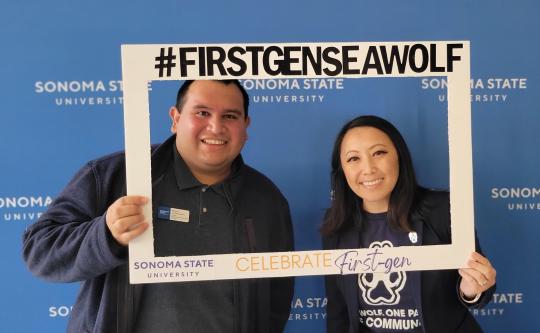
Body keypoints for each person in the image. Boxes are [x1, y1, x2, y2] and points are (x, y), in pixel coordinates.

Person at [23, 80, 294, 333]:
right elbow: (39, 251)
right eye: (201, 113)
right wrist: (104, 234)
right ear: (176, 119)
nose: (215, 127)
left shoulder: (267, 198)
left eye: (230, 116)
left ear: (245, 125)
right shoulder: (113, 174)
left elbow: (277, 295)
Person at [321, 115, 496, 333]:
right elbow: (338, 312)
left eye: (378, 153)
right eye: (353, 159)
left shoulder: (443, 209)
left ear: (399, 157)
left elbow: (480, 291)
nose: (368, 169)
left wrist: (472, 289)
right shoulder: (336, 224)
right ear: (343, 170)